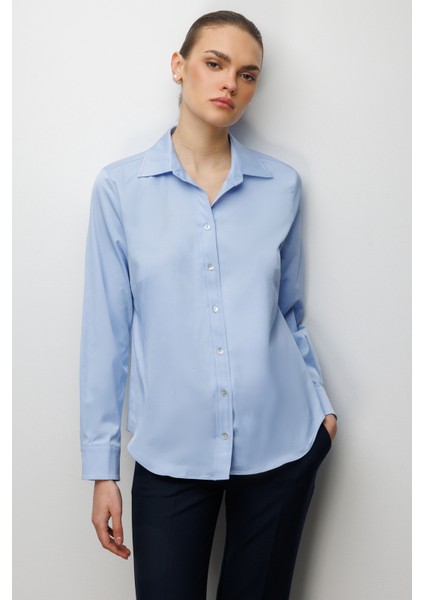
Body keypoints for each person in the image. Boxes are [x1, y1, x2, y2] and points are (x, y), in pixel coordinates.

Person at [80, 10, 337, 600]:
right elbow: (105, 335)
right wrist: (102, 469)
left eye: (248, 74)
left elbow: (290, 313)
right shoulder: (120, 190)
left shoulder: (282, 186)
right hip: (170, 452)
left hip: (282, 447)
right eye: (215, 64)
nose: (230, 84)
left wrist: (320, 410)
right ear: (179, 66)